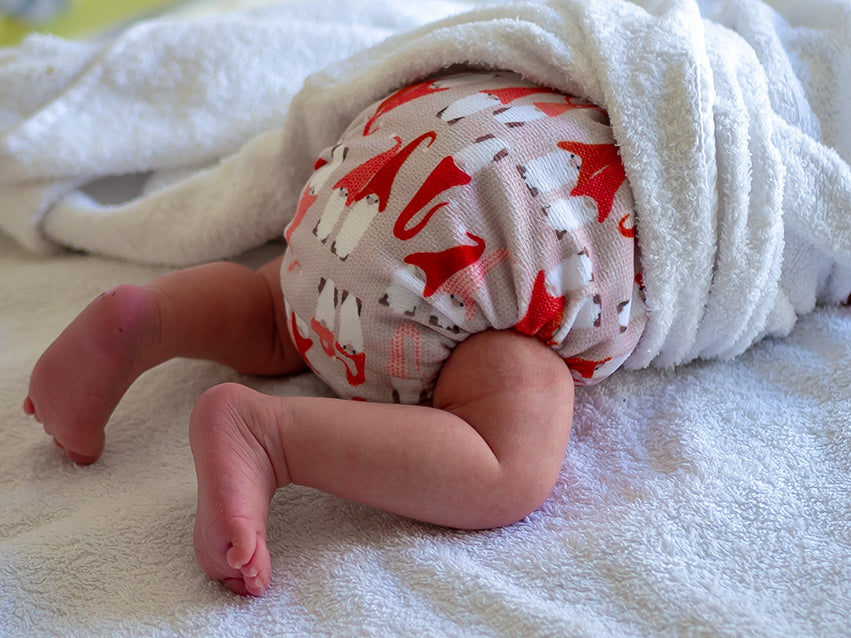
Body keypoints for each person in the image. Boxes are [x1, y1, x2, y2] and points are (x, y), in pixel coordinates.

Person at [23, 72, 648, 596]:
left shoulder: (581, 62)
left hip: (386, 158)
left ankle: (154, 317)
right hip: (501, 227)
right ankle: (273, 440)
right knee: (505, 463)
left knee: (282, 308)